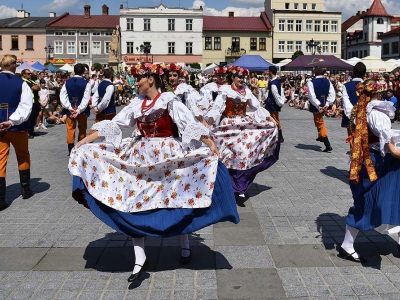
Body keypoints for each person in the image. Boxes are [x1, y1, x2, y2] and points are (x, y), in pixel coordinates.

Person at [68, 62, 239, 282]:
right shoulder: (136, 103)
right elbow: (117, 124)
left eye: (138, 79)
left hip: (168, 153)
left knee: (178, 196)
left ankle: (185, 242)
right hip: (141, 155)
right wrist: (87, 140)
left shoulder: (168, 100)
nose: (135, 83)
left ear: (151, 79)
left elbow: (187, 124)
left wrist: (208, 142)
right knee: (134, 200)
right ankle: (140, 258)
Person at [339, 79, 400, 263]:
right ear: (376, 94)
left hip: (363, 160)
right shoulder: (375, 113)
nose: (382, 94)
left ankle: (347, 245)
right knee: (370, 200)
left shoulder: (360, 110)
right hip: (373, 161)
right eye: (380, 92)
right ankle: (347, 245)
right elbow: (389, 144)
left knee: (386, 196)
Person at [205, 66, 279, 201]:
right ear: (232, 77)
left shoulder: (246, 91)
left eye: (243, 77)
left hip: (244, 123)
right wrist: (209, 122)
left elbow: (256, 106)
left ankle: (239, 186)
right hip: (229, 124)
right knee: (230, 156)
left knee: (244, 154)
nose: (241, 79)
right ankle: (232, 185)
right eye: (238, 76)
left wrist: (269, 118)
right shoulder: (225, 90)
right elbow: (217, 108)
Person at [0, 55, 34, 210]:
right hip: (17, 127)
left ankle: (1, 199)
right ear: (13, 65)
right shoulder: (22, 83)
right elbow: (26, 106)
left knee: (0, 160)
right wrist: (11, 121)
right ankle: (25, 189)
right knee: (22, 154)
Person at [60, 63, 91, 155]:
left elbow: (62, 96)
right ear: (83, 72)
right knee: (82, 129)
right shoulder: (86, 83)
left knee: (70, 129)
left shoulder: (67, 82)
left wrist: (69, 107)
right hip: (82, 109)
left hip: (70, 109)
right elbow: (86, 98)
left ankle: (70, 150)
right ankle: (80, 149)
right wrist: (79, 110)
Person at [307, 66, 335, 152]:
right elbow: (332, 93)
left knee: (319, 122)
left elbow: (312, 96)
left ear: (315, 72)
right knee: (318, 121)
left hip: (317, 105)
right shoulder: (328, 81)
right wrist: (327, 104)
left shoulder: (311, 82)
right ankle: (320, 136)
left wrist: (318, 106)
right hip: (325, 103)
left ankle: (327, 143)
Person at [342, 62, 367, 149]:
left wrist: (353, 117)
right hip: (365, 116)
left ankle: (354, 159)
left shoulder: (346, 86)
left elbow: (346, 103)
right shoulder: (368, 85)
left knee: (353, 140)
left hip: (351, 118)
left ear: (353, 72)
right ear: (364, 73)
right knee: (364, 140)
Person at [265, 66, 285, 143]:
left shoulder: (273, 83)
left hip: (272, 104)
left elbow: (276, 94)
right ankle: (274, 134)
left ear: (270, 72)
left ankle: (280, 136)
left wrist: (280, 103)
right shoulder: (276, 81)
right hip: (271, 103)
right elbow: (280, 92)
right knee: (272, 119)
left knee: (275, 119)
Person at [21, 69, 40, 139]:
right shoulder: (24, 81)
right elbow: (35, 88)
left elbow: (39, 88)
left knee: (34, 117)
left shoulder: (31, 81)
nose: (30, 75)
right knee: (30, 118)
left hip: (35, 101)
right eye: (28, 74)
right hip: (30, 102)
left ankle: (31, 131)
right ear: (24, 75)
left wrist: (37, 87)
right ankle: (28, 132)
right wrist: (37, 87)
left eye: (30, 73)